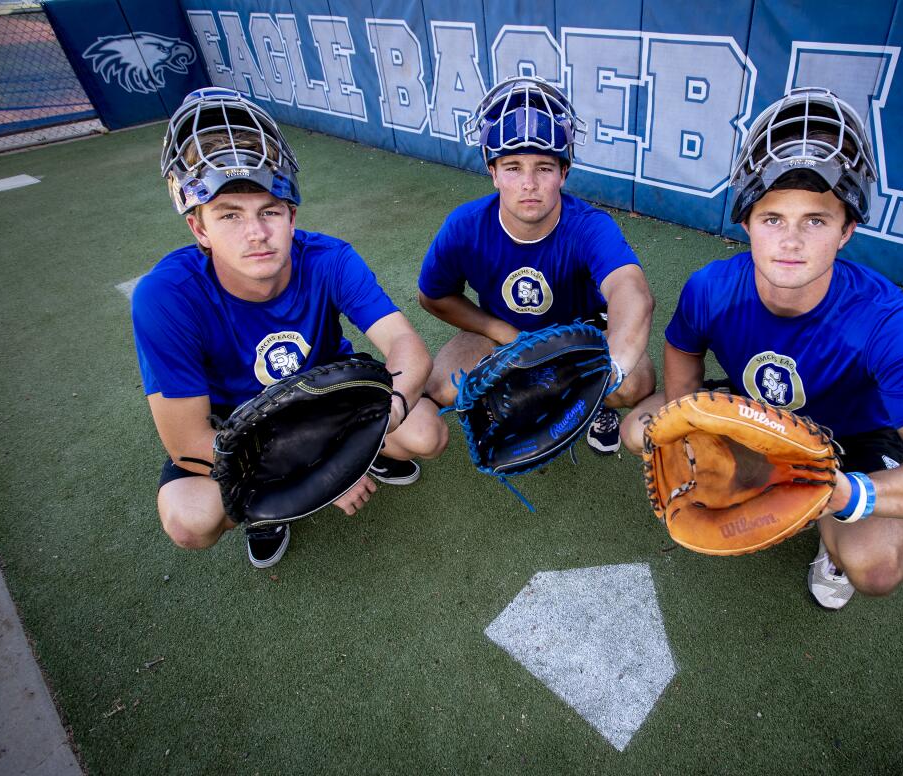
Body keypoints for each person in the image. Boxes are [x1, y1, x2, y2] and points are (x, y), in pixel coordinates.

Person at [621, 87, 903, 609]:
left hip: (854, 440)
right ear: (747, 223)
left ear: (847, 230)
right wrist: (687, 413)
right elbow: (683, 346)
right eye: (773, 219)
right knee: (640, 431)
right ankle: (767, 473)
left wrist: (848, 493)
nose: (790, 242)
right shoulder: (711, 286)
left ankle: (819, 514)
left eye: (815, 221)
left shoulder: (886, 319)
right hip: (753, 413)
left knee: (876, 566)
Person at [132, 88, 447, 568]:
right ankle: (266, 509)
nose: (255, 234)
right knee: (189, 519)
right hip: (236, 426)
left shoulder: (329, 258)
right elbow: (187, 442)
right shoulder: (166, 295)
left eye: (269, 211)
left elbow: (407, 347)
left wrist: (381, 420)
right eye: (229, 216)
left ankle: (367, 452)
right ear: (199, 229)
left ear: (291, 215)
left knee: (425, 432)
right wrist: (321, 478)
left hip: (328, 396)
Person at [417, 76, 655, 453]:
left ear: (563, 172)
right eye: (512, 167)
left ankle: (593, 406)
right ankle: (502, 395)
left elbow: (633, 293)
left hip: (581, 335)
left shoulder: (588, 225)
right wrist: (497, 327)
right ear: (493, 173)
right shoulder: (466, 226)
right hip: (501, 332)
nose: (528, 183)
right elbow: (432, 296)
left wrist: (610, 369)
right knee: (441, 387)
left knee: (634, 384)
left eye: (544, 168)